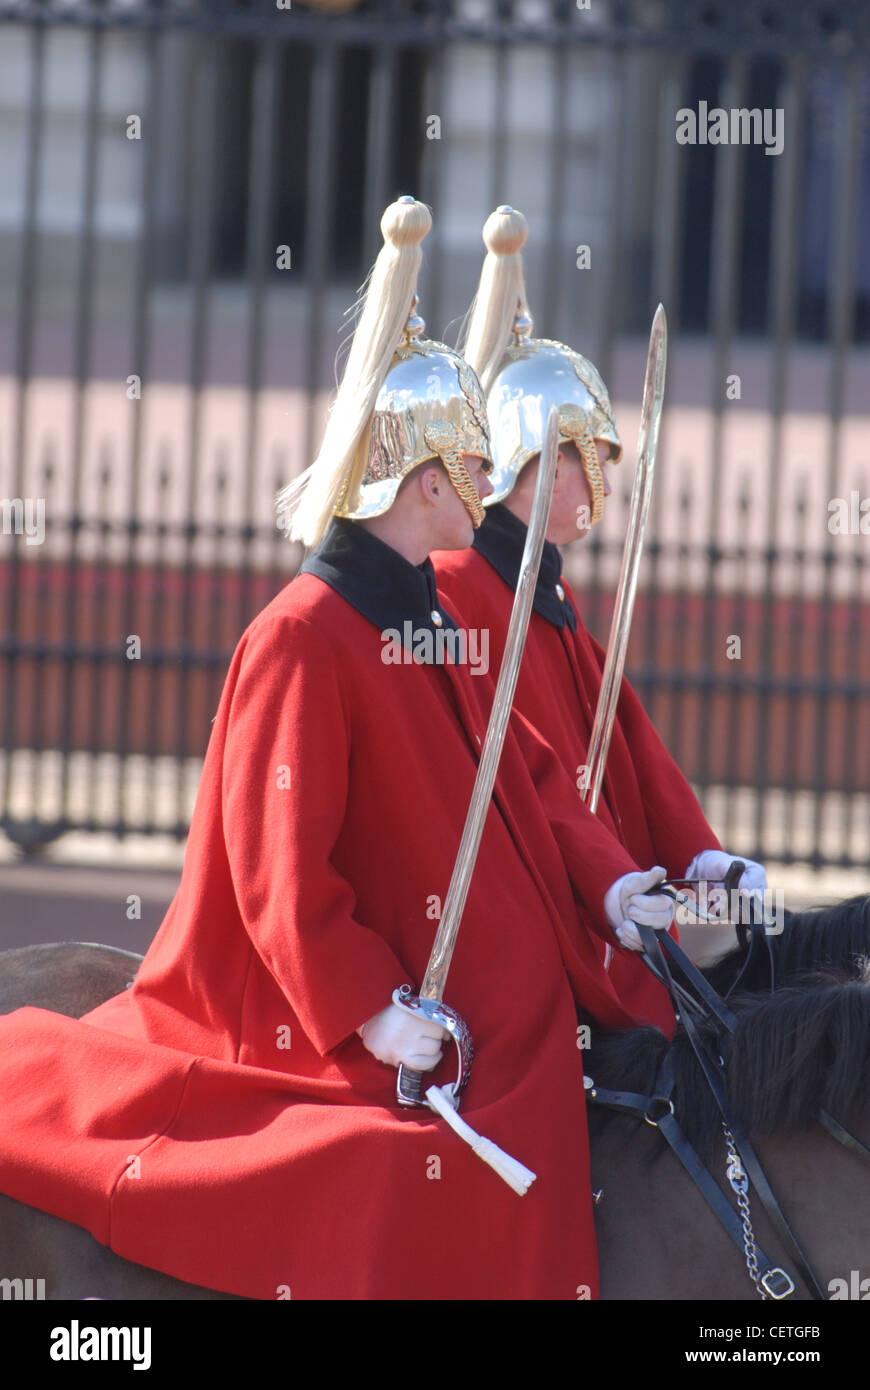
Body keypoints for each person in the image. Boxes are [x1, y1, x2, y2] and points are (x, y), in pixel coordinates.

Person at [0, 197, 675, 1301]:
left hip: (487, 1001)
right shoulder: (301, 640)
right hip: (322, 1019)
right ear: (421, 486)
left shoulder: (434, 621)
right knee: (408, 1176)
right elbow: (277, 875)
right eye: (472, 472)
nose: (490, 497)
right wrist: (371, 1009)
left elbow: (532, 780)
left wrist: (608, 891)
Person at [432, 206, 768, 1029]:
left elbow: (622, 740)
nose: (600, 488)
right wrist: (610, 882)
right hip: (527, 907)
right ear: (524, 464)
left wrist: (697, 857)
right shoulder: (457, 587)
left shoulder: (544, 583)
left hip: (604, 898)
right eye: (583, 462)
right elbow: (518, 773)